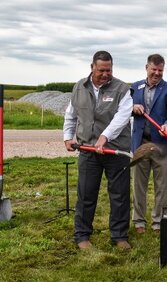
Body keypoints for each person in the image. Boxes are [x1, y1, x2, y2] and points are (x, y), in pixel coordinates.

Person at [63, 50, 133, 250]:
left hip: (116, 151)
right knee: (86, 194)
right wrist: (68, 137)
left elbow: (122, 117)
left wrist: (104, 137)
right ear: (92, 67)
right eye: (101, 70)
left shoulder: (122, 89)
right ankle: (82, 236)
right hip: (88, 150)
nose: (105, 74)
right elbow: (71, 114)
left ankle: (119, 236)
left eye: (109, 70)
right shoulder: (79, 88)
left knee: (119, 195)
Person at [130, 54, 167, 234]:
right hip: (140, 144)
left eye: (160, 70)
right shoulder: (135, 87)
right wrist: (132, 108)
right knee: (138, 184)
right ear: (147, 67)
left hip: (162, 145)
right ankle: (138, 221)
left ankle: (158, 221)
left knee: (162, 186)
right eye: (154, 69)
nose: (157, 73)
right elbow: (123, 109)